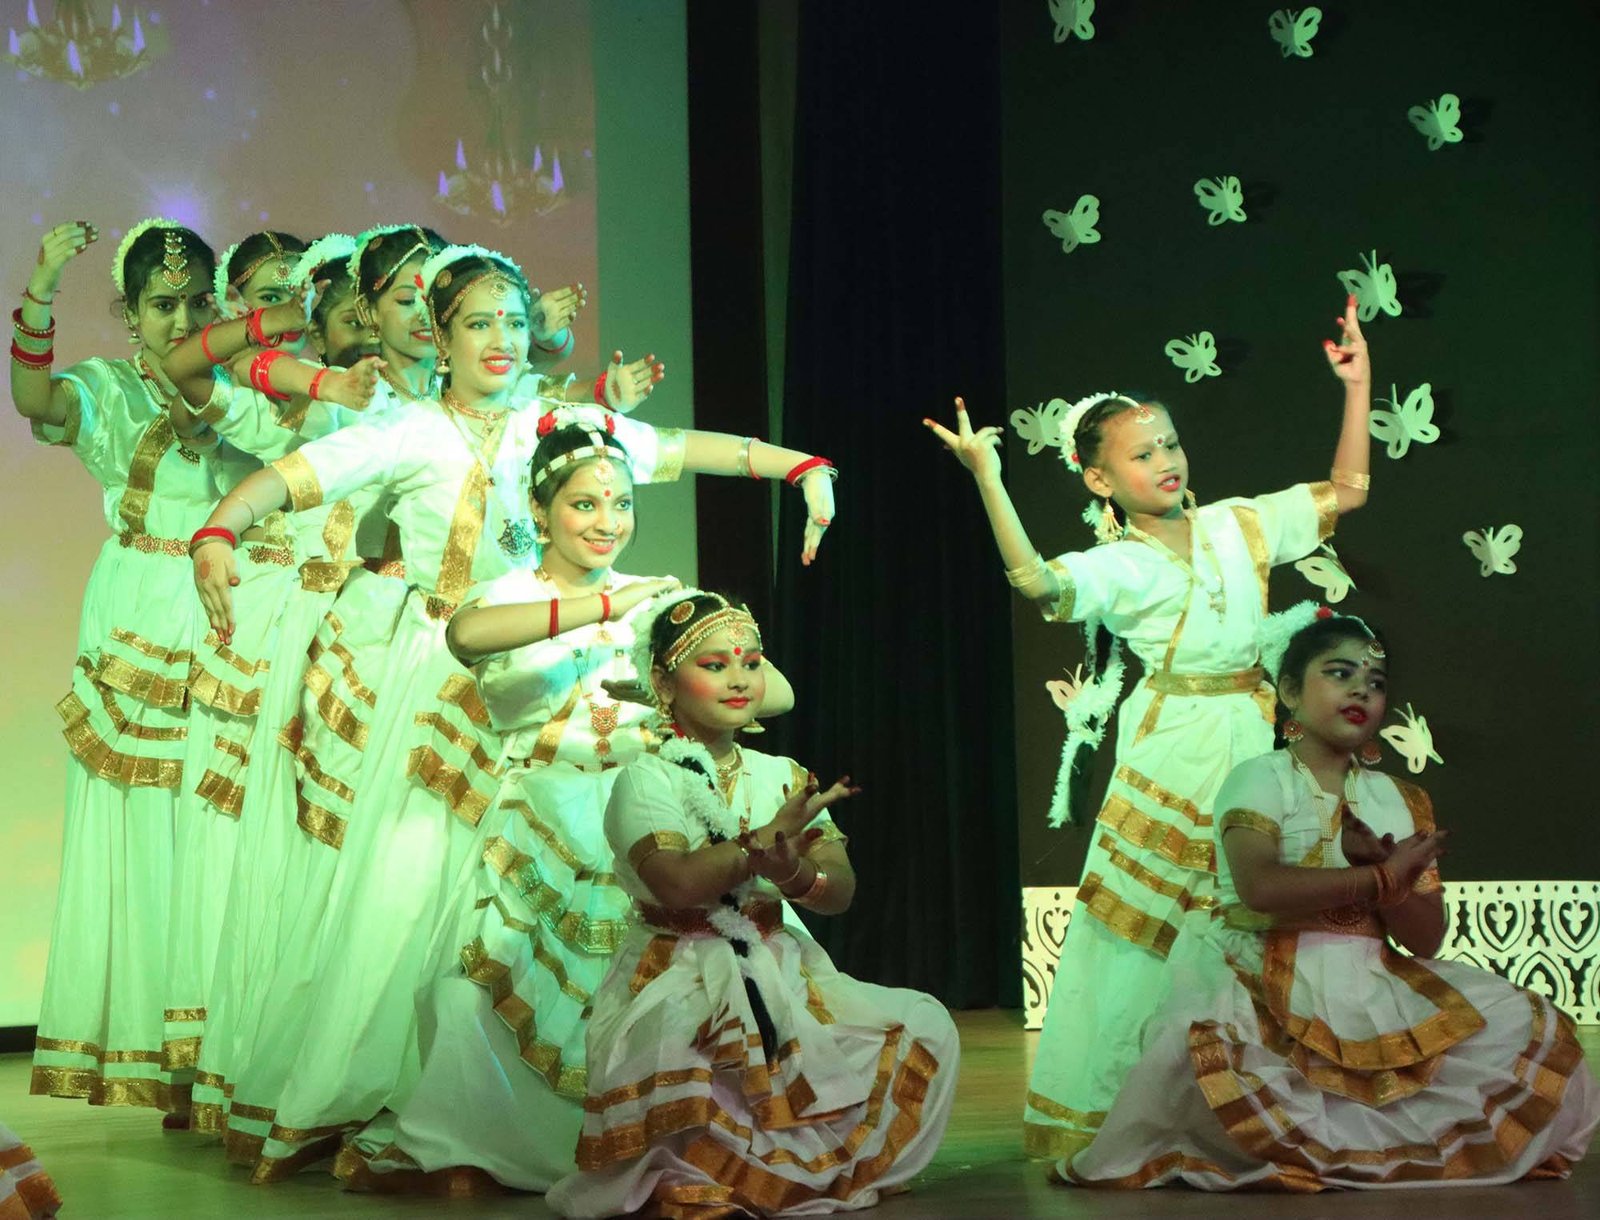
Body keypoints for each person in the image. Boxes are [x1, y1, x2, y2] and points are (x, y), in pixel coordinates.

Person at [925, 296, 1373, 1158]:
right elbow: (1036, 584)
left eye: (1169, 443)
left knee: (1255, 917)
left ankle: (1255, 1099)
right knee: (1152, 931)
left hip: (1250, 735)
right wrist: (987, 476)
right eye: (1141, 453)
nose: (1165, 460)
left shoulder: (1239, 523)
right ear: (1099, 480)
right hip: (1174, 746)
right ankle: (1139, 1107)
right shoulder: (1120, 565)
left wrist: (1358, 387)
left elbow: (1347, 491)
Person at [1063, 609, 1600, 1188]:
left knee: (1527, 1028)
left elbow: (1425, 939)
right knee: (1196, 1058)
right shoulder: (1259, 778)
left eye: (1376, 683)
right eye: (1340, 674)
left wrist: (1387, 882)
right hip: (1255, 970)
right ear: (1290, 692)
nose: (1361, 692)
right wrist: (1378, 878)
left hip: (1368, 980)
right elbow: (1260, 889)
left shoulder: (1402, 798)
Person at [546, 590, 960, 1216]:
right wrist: (759, 844)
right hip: (675, 972)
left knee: (925, 1026)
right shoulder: (645, 779)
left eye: (751, 662)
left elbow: (838, 893)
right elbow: (678, 884)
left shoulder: (782, 774)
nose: (738, 678)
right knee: (682, 1053)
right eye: (714, 665)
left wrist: (792, 871)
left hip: (779, 963)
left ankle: (813, 1171)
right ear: (664, 682)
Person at [10, 217, 258, 1117]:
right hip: (141, 612)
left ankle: (229, 1052)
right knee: (151, 833)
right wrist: (40, 291)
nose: (180, 320)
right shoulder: (110, 391)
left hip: (234, 607)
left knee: (223, 831)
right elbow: (35, 401)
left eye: (195, 303)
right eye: (161, 305)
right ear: (130, 312)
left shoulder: (244, 388)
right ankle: (164, 1061)